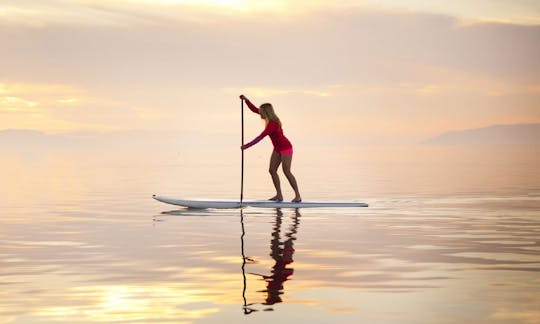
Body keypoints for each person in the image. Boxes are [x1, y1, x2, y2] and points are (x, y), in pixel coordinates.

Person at [240, 95, 302, 203]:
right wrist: (246, 100)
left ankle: (298, 196)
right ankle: (279, 195)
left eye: (262, 113)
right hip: (277, 148)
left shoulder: (272, 124)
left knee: (286, 171)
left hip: (286, 148)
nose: (260, 115)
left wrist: (247, 146)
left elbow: (260, 137)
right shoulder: (269, 119)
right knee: (272, 170)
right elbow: (255, 110)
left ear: (266, 113)